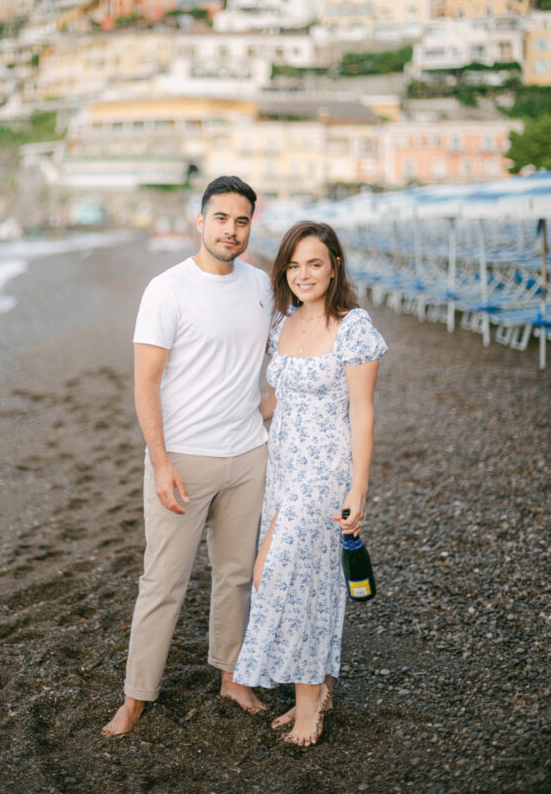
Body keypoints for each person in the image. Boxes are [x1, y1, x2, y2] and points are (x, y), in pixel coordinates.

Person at [102, 176, 273, 737]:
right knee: (164, 582)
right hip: (185, 459)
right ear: (199, 222)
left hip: (249, 454)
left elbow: (273, 360)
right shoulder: (167, 289)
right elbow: (145, 383)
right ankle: (136, 697)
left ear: (251, 225)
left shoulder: (262, 286)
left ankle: (232, 676)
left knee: (235, 576)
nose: (231, 229)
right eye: (221, 218)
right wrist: (161, 462)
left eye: (242, 220)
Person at [232, 220, 387, 747]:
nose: (303, 274)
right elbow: (275, 400)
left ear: (335, 265)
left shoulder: (354, 327)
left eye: (314, 263)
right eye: (294, 265)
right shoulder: (284, 324)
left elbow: (363, 413)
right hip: (283, 467)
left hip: (326, 471)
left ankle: (307, 709)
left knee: (277, 574)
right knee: (302, 580)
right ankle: (313, 692)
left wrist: (358, 490)